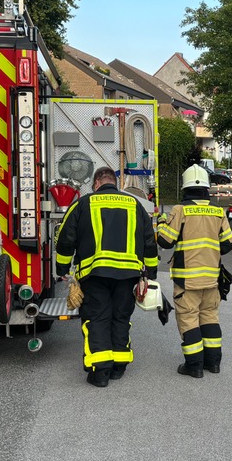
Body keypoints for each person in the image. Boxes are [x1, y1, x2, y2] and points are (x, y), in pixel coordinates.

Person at [56, 166, 159, 387]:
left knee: (97, 318)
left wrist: (62, 269)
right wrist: (151, 272)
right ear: (116, 183)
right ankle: (119, 367)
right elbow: (150, 240)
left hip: (95, 274)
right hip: (128, 275)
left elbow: (65, 239)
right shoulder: (134, 205)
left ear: (95, 184)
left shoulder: (83, 203)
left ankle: (100, 372)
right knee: (120, 317)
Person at [156, 165, 232, 378]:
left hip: (186, 280)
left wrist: (162, 223)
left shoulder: (180, 210)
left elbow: (165, 240)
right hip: (212, 278)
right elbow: (228, 244)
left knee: (189, 318)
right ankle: (213, 363)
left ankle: (194, 366)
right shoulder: (218, 211)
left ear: (185, 187)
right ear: (206, 187)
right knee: (210, 316)